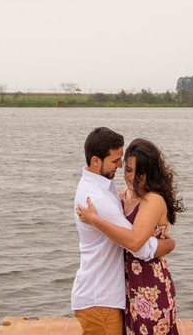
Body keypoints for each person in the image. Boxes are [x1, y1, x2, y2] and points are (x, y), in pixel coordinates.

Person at [73, 127, 176, 335]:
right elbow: (136, 243)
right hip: (118, 290)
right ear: (96, 161)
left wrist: (169, 244)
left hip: (148, 286)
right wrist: (167, 245)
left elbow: (135, 242)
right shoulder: (114, 195)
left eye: (140, 172)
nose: (128, 173)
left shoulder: (149, 200)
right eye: (126, 168)